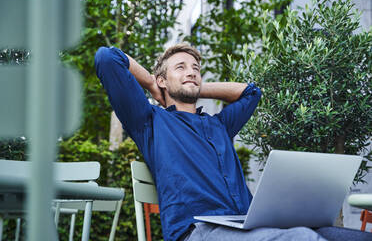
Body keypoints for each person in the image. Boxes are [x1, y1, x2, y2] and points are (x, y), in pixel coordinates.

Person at [94, 44, 372, 241]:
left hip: (246, 224)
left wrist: (195, 88)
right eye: (180, 67)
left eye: (196, 69)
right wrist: (154, 85)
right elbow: (107, 58)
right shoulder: (150, 121)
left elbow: (252, 93)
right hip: (197, 231)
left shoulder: (219, 125)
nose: (191, 72)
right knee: (301, 238)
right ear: (163, 80)